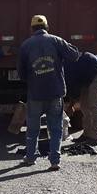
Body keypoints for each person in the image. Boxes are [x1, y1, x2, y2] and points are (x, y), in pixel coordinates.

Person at [17, 14, 80, 170]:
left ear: (32, 29)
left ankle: (30, 157)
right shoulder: (56, 40)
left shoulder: (26, 45)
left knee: (33, 128)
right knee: (55, 128)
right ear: (47, 27)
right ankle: (55, 161)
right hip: (55, 93)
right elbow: (74, 55)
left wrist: (31, 80)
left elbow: (21, 73)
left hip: (35, 94)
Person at [63, 51, 97, 146]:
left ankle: (96, 137)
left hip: (96, 71)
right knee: (84, 106)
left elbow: (73, 89)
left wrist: (70, 106)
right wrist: (71, 105)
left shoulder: (65, 70)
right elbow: (73, 89)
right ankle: (87, 134)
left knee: (95, 105)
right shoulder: (64, 69)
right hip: (85, 76)